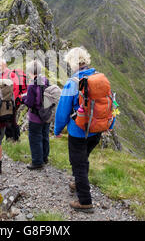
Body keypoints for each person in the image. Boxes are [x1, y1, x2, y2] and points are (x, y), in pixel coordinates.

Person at [54, 47, 101, 213]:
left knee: (78, 163)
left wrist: (57, 130)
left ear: (73, 63)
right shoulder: (98, 77)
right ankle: (77, 182)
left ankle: (85, 201)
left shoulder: (73, 83)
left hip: (79, 131)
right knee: (83, 159)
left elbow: (63, 110)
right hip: (96, 130)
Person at [22, 60, 50, 170]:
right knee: (45, 136)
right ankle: (44, 157)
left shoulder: (32, 85)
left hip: (35, 116)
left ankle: (37, 162)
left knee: (35, 138)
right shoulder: (46, 80)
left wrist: (23, 98)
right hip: (46, 114)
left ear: (30, 71)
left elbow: (29, 102)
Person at [0, 58, 25, 142]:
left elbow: (15, 89)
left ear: (5, 65)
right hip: (8, 102)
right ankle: (15, 138)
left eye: (0, 66)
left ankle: (11, 139)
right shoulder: (3, 75)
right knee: (12, 120)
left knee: (8, 120)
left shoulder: (10, 75)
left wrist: (12, 103)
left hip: (10, 102)